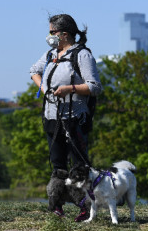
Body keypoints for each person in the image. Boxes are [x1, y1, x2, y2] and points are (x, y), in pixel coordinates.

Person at [30, 14, 102, 221]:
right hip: (52, 117)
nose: (49, 36)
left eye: (52, 32)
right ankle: (56, 206)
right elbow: (34, 71)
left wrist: (69, 88)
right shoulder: (50, 53)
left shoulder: (82, 55)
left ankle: (85, 207)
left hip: (75, 117)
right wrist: (44, 89)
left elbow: (95, 87)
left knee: (79, 165)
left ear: (64, 34)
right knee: (57, 164)